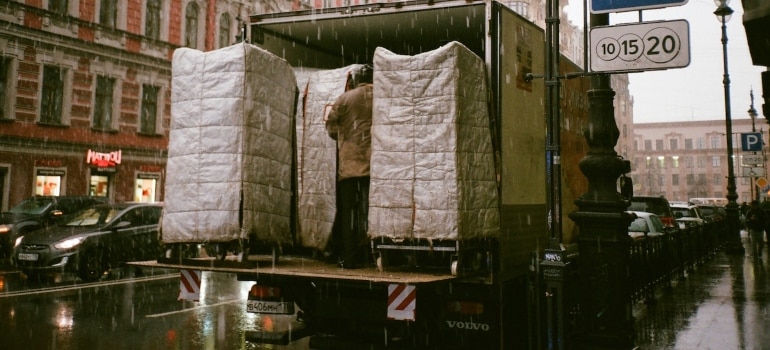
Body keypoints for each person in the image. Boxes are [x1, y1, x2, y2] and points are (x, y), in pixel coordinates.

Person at [325, 66, 373, 269]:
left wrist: (344, 136)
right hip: (375, 165)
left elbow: (330, 127)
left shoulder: (345, 99)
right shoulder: (382, 97)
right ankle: (373, 254)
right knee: (371, 212)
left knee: (348, 213)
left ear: (354, 80)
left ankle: (350, 257)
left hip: (350, 165)